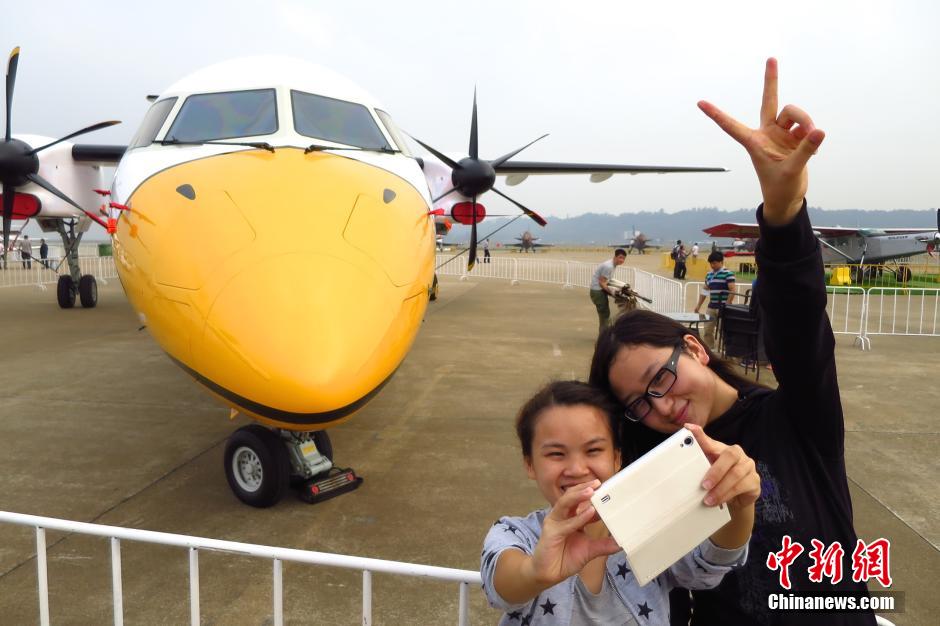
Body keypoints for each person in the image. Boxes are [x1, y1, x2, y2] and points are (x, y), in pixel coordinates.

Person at [590, 58, 877, 625]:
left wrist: (782, 212)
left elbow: (797, 324)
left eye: (659, 378)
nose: (659, 407)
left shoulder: (797, 417)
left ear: (695, 348)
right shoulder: (654, 461)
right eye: (639, 404)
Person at [481, 380, 760, 626]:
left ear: (616, 459)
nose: (577, 469)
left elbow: (709, 565)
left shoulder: (651, 526)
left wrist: (739, 504)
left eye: (593, 450)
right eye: (556, 454)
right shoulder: (514, 533)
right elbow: (501, 587)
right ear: (530, 464)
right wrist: (535, 573)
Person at [694, 250, 735, 349]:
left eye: (714, 263)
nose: (712, 265)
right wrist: (698, 305)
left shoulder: (728, 273)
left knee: (723, 330)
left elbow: (732, 290)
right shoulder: (709, 275)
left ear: (721, 262)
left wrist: (727, 304)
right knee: (707, 329)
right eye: (711, 263)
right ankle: (709, 349)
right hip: (711, 306)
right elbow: (705, 290)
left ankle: (727, 351)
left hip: (723, 307)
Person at [590, 249, 626, 334]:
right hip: (598, 291)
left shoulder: (613, 265)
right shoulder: (608, 266)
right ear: (615, 257)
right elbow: (602, 282)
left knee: (605, 314)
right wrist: (612, 293)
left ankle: (604, 333)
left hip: (600, 289)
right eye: (620, 257)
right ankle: (603, 335)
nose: (622, 260)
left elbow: (607, 281)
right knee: (604, 315)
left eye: (623, 258)